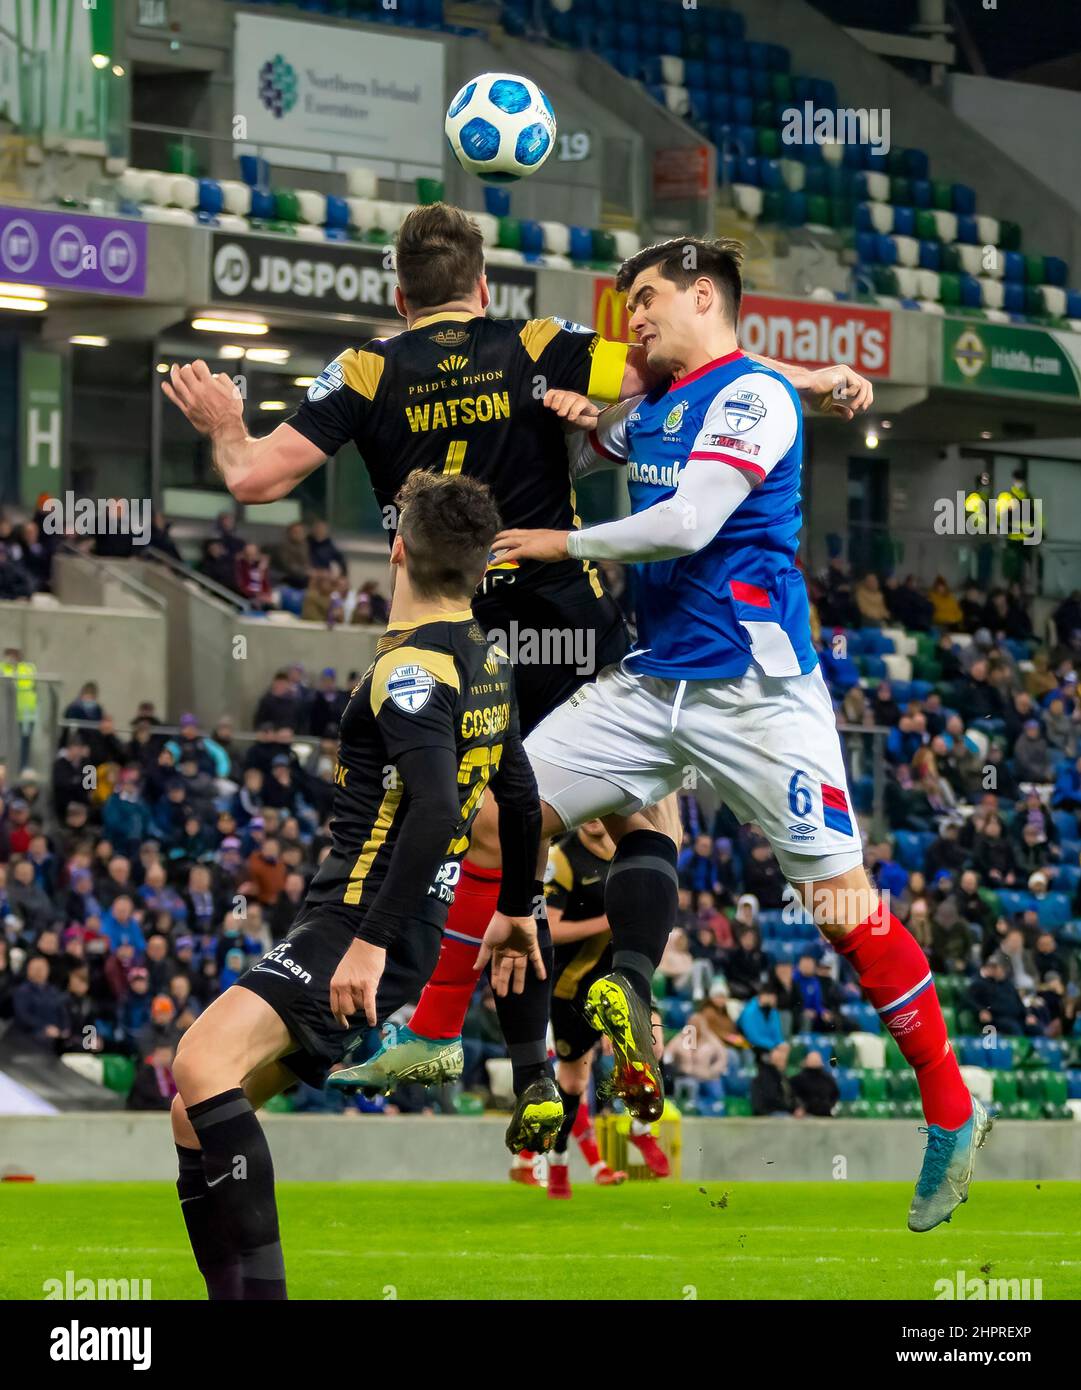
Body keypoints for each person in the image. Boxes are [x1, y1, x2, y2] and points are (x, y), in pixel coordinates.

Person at [162, 201, 873, 1103]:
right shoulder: (537, 341)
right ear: (482, 284)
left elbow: (253, 477)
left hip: (455, 634)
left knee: (474, 833)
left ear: (398, 295)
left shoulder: (365, 368)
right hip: (566, 616)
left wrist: (227, 423)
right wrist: (805, 381)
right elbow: (684, 363)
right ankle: (632, 985)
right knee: (647, 824)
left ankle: (448, 1034)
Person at [492, 234, 987, 1233]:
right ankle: (484, 1051)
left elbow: (686, 522)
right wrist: (582, 415)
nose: (631, 320)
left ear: (704, 296)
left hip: (758, 692)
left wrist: (561, 537)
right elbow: (622, 436)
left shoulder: (753, 397)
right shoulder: (668, 406)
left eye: (644, 302)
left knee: (843, 910)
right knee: (504, 810)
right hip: (653, 682)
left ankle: (949, 1101)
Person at [166, 472, 545, 1301]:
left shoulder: (407, 668)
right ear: (481, 566)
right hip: (394, 921)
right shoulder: (488, 657)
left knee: (198, 1063)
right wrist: (517, 908)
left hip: (358, 924)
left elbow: (441, 803)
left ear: (398, 549)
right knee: (196, 1113)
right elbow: (517, 800)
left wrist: (367, 944)